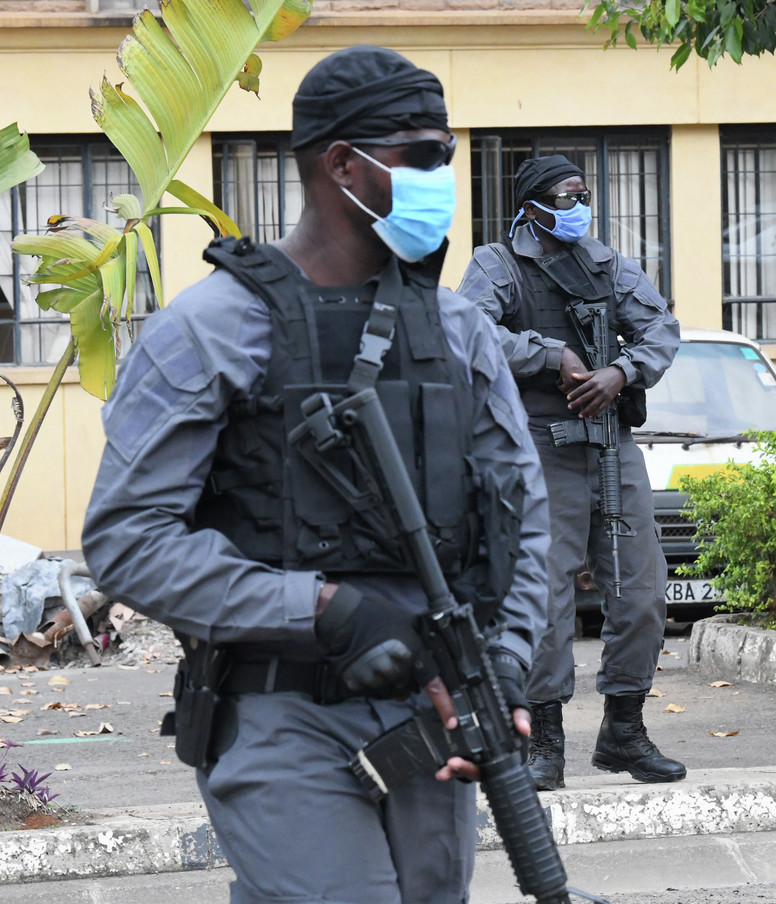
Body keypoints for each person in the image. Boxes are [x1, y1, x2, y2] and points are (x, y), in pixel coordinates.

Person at [82, 46, 551, 904]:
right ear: (344, 163)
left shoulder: (460, 331)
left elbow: (525, 519)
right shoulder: (211, 330)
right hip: (279, 707)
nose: (445, 175)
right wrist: (325, 612)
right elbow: (128, 541)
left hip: (435, 711)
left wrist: (507, 663)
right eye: (424, 155)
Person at [457, 154, 687, 792]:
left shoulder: (608, 263)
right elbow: (465, 329)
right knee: (545, 600)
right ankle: (544, 744)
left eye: (583, 195)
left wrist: (622, 371)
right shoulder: (496, 266)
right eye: (564, 197)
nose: (577, 206)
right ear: (530, 204)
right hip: (537, 447)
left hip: (611, 445)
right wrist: (547, 354)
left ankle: (623, 732)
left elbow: (661, 330)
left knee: (641, 591)